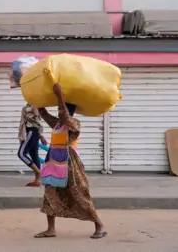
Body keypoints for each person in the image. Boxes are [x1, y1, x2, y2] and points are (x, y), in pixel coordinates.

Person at [34, 83, 107, 239]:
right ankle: (51, 229)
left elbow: (64, 115)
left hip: (71, 164)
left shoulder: (74, 123)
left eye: (64, 108)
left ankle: (99, 225)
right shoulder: (58, 124)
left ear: (70, 111)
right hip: (54, 162)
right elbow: (44, 113)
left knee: (80, 194)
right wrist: (37, 98)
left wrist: (60, 96)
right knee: (50, 194)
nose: (61, 112)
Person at [17, 103, 47, 187]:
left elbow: (35, 119)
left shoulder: (32, 107)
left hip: (31, 131)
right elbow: (38, 122)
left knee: (21, 154)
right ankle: (37, 180)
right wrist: (40, 135)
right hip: (35, 132)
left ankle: (39, 173)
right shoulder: (33, 107)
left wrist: (40, 135)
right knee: (34, 155)